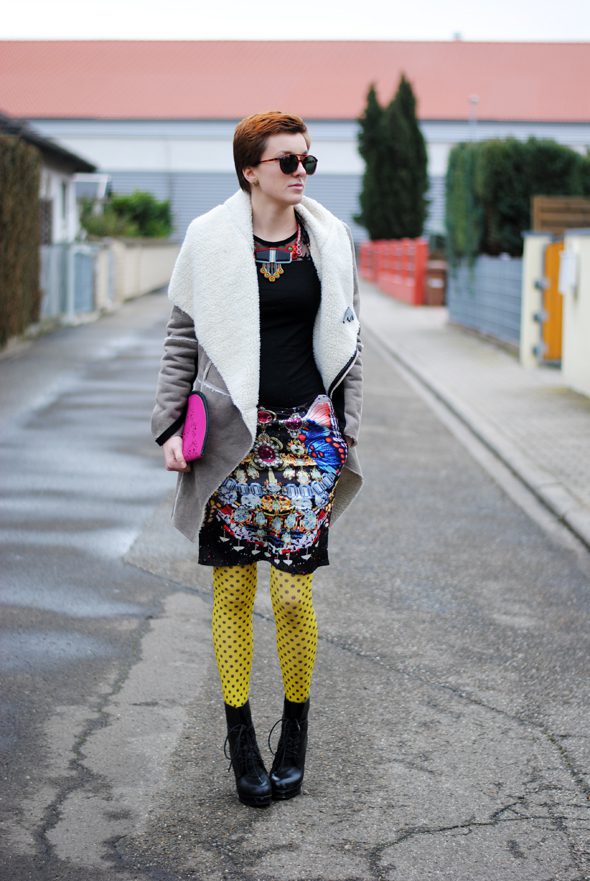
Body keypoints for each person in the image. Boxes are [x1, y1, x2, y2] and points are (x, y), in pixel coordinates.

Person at [152, 111, 363, 807]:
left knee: (294, 594)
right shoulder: (209, 240)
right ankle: (240, 738)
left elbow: (350, 343)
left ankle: (294, 732)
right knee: (233, 592)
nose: (301, 172)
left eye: (308, 161)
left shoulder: (329, 241)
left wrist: (348, 428)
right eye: (288, 162)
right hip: (233, 436)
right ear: (251, 169)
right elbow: (182, 339)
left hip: (305, 436)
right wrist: (166, 426)